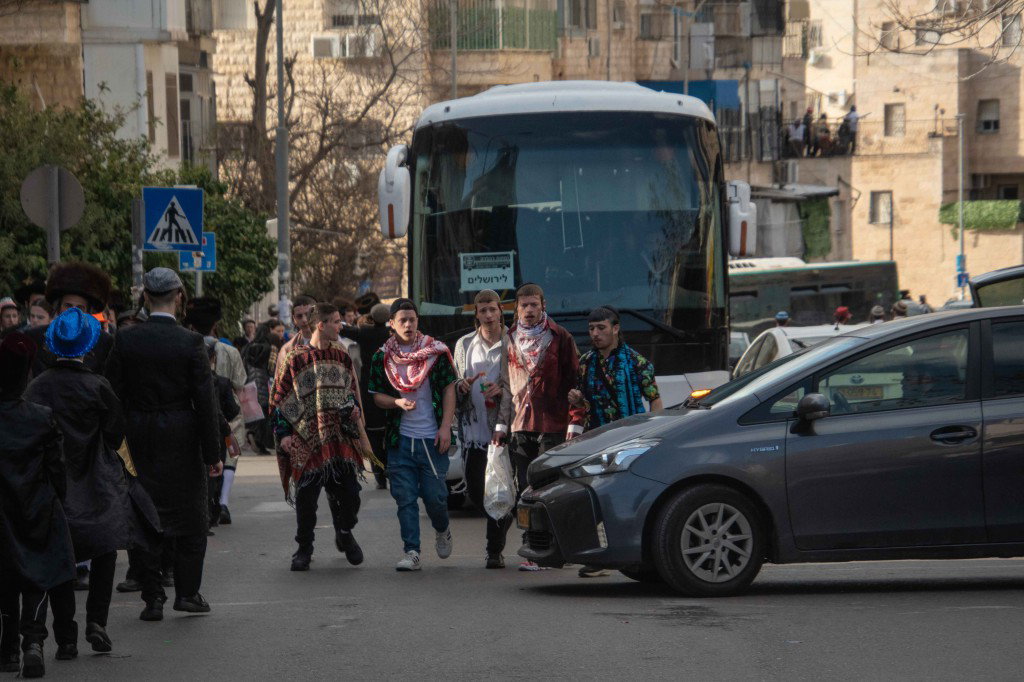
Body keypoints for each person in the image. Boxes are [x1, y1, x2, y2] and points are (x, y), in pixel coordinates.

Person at [23, 309, 160, 659]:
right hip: (97, 482)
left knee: (59, 559)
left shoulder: (37, 388)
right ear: (89, 344)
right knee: (104, 551)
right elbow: (115, 434)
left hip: (53, 485)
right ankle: (96, 621)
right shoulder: (98, 386)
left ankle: (65, 637)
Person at [105, 268, 221, 622]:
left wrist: (117, 439)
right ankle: (187, 592)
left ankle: (152, 597)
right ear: (179, 297)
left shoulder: (126, 340)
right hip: (182, 435)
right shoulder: (190, 342)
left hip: (138, 434)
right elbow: (205, 401)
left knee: (144, 514)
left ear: (145, 299)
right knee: (190, 518)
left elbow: (111, 394)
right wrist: (213, 453)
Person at [272, 303, 370, 572]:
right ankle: (304, 547)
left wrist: (354, 410)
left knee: (351, 495)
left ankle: (345, 532)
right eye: (336, 322)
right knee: (306, 500)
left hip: (340, 438)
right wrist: (283, 435)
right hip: (307, 438)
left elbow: (350, 391)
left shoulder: (343, 357)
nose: (341, 326)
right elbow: (280, 398)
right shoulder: (295, 359)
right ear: (321, 325)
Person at [0, 332, 75, 679]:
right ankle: (33, 641)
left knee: (5, 579)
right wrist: (57, 499)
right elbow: (56, 468)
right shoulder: (41, 417)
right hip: (37, 506)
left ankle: (8, 650)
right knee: (38, 574)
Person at [496, 283, 585, 570]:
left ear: (543, 305)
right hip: (521, 425)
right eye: (524, 306)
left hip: (553, 423)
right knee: (525, 488)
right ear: (517, 309)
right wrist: (501, 425)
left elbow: (575, 382)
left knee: (549, 489)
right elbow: (506, 387)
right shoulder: (509, 339)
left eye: (535, 305)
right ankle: (535, 550)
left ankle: (555, 548)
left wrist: (575, 424)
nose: (530, 310)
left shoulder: (560, 337)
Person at [569, 307, 662, 577]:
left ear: (616, 328)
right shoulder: (586, 362)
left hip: (630, 441)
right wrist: (576, 400)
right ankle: (597, 559)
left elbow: (654, 398)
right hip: (596, 441)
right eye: (591, 329)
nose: (595, 334)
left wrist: (655, 435)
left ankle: (636, 555)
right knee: (592, 498)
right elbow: (583, 402)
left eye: (601, 328)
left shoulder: (637, 362)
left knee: (628, 499)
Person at [368, 298, 457, 572]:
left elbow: (449, 389)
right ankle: (412, 551)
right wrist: (396, 402)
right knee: (404, 498)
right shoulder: (382, 356)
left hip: (432, 439)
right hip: (400, 441)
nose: (408, 324)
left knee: (435, 498)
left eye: (412, 319)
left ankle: (442, 529)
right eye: (402, 320)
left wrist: (445, 427)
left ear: (418, 321)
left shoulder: (436, 352)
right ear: (391, 324)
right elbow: (376, 396)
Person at [453, 290, 511, 568]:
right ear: (476, 313)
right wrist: (461, 387)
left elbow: (519, 384)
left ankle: (494, 551)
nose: (488, 316)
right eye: (482, 311)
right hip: (473, 433)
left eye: (492, 310)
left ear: (501, 311)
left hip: (502, 431)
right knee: (477, 494)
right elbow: (455, 384)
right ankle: (503, 522)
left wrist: (502, 391)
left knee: (499, 492)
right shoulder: (464, 344)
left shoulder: (513, 343)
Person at [24, 262, 114, 376]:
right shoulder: (35, 337)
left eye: (80, 307)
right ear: (58, 307)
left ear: (88, 312)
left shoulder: (103, 341)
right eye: (68, 305)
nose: (73, 312)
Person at [339, 303, 392, 489]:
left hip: (369, 387)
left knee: (374, 434)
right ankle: (391, 468)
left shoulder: (365, 333)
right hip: (392, 386)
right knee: (391, 431)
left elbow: (344, 330)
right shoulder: (393, 334)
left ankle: (379, 474)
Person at [204, 338, 240, 530]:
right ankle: (213, 511)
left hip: (195, 432)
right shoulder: (222, 382)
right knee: (216, 470)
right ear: (214, 358)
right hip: (218, 431)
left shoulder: (188, 381)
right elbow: (233, 410)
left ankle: (206, 512)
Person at [274, 294, 317, 387]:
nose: (304, 320)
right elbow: (280, 386)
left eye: (307, 314)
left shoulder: (334, 343)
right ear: (294, 319)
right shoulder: (287, 350)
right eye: (299, 316)